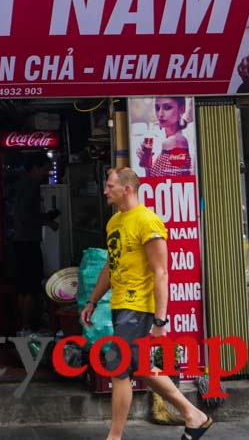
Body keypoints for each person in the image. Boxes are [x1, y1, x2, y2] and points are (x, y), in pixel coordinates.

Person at [81, 168, 212, 440]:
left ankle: (114, 437)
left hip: (138, 305)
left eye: (110, 186)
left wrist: (160, 321)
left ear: (127, 189)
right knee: (139, 366)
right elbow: (110, 264)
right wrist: (93, 300)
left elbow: (161, 272)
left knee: (117, 365)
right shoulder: (115, 222)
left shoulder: (147, 221)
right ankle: (194, 415)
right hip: (119, 303)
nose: (105, 191)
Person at [9, 153, 59, 331]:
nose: (46, 174)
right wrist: (47, 221)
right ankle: (26, 326)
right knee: (30, 286)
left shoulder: (23, 185)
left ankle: (23, 327)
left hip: (21, 241)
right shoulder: (29, 187)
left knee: (24, 286)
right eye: (45, 170)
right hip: (28, 241)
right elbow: (26, 216)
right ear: (35, 168)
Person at [137, 97, 192, 177]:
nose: (160, 114)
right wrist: (147, 166)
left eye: (167, 108)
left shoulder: (181, 139)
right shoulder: (156, 139)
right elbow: (154, 183)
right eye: (157, 108)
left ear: (182, 109)